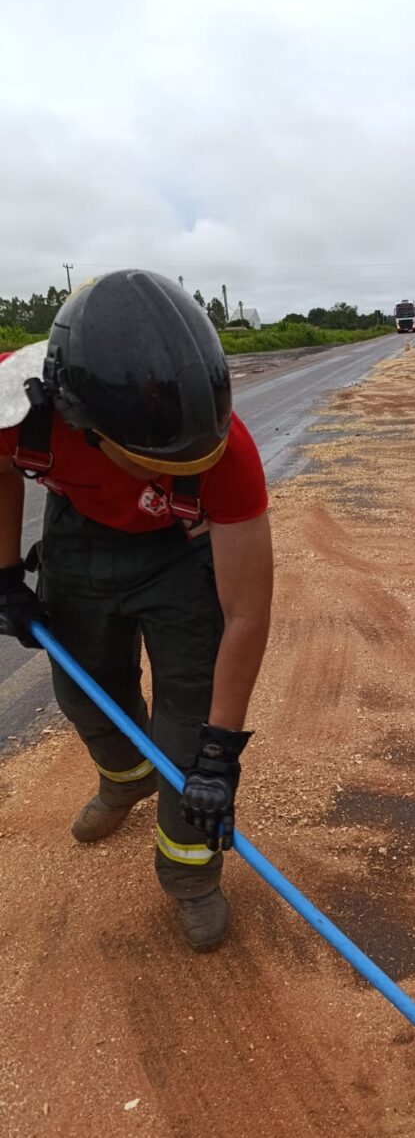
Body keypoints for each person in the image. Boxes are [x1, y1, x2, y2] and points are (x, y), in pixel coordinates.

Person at [0, 270, 273, 951]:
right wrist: (4, 573)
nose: (182, 464)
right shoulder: (17, 405)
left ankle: (190, 876)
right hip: (79, 536)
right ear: (77, 416)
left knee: (190, 712)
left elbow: (246, 611)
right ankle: (125, 780)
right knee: (84, 688)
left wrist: (219, 754)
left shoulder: (225, 449)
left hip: (180, 553)